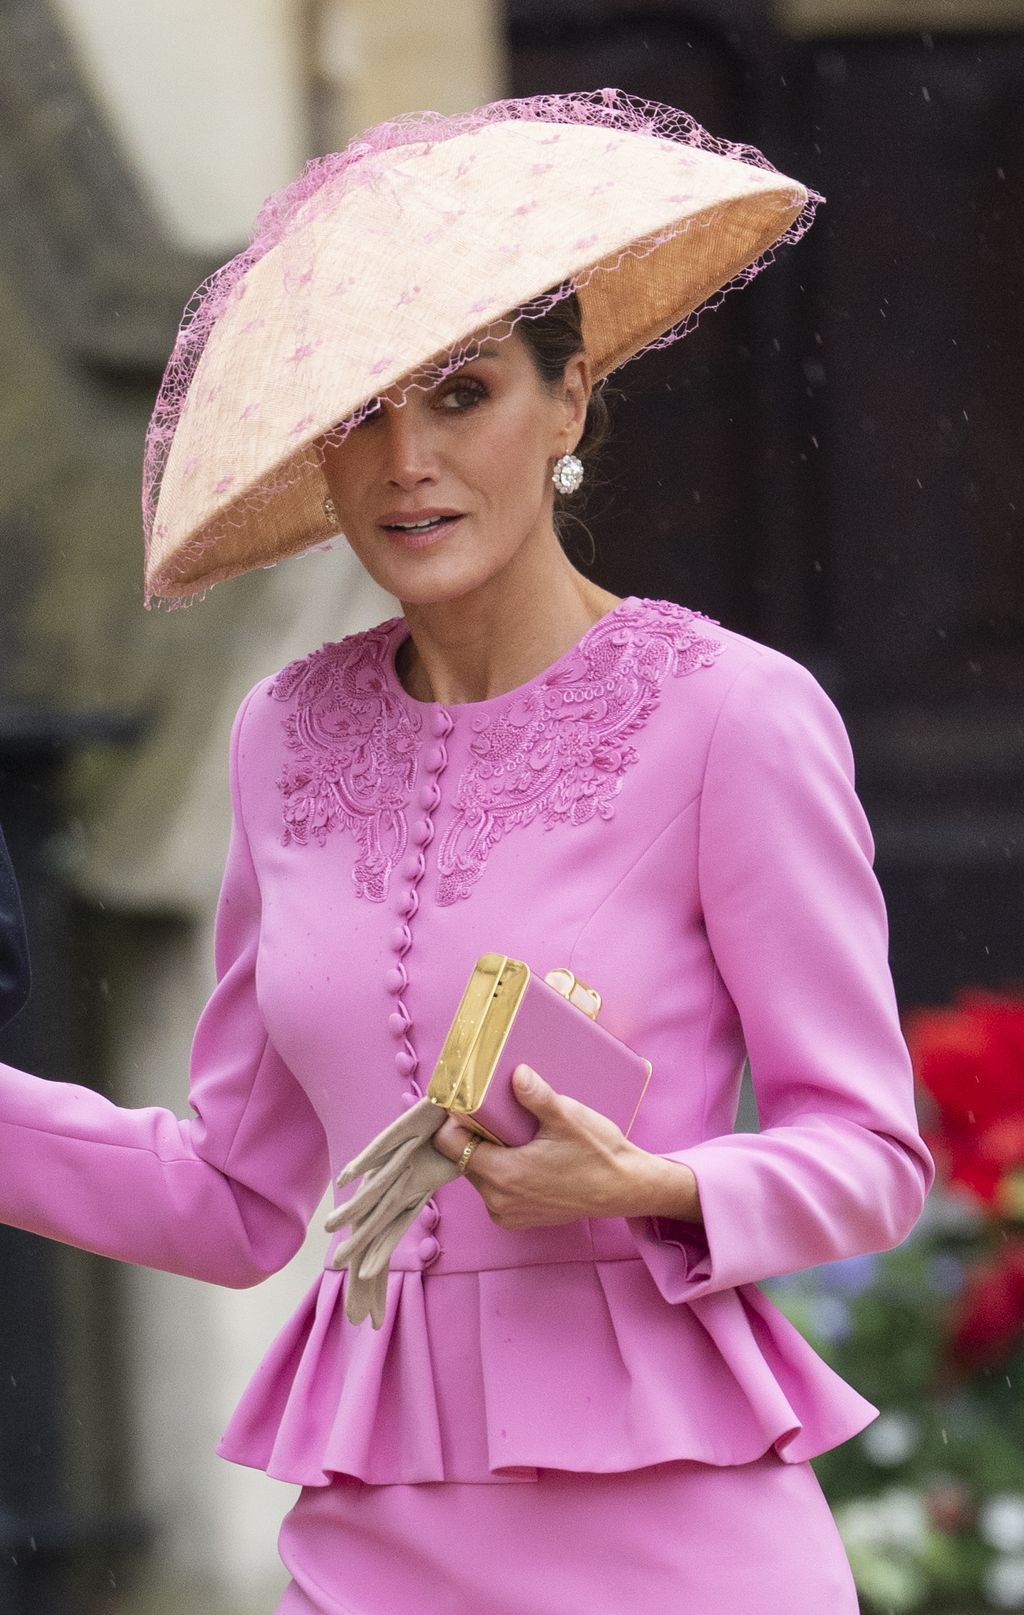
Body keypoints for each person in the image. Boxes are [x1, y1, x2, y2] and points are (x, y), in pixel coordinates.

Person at [1, 91, 933, 1612]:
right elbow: (240, 1200)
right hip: (370, 1546)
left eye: (461, 391)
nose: (407, 460)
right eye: (361, 409)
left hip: (675, 1542)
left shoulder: (732, 718)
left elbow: (870, 1162)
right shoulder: (278, 739)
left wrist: (653, 1182)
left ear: (570, 405)